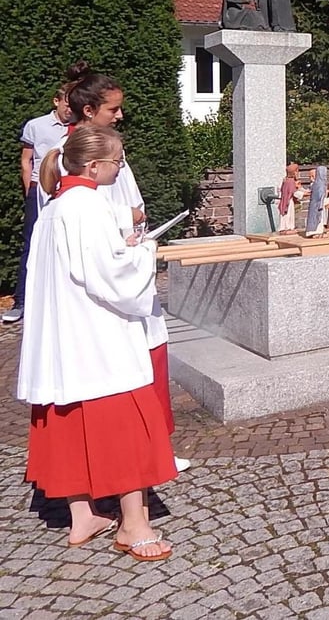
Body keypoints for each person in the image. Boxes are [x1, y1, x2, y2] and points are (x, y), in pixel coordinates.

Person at [17, 124, 175, 560]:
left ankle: (82, 515)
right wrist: (143, 253)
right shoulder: (88, 206)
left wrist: (119, 248)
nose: (120, 168)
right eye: (117, 162)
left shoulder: (54, 206)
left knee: (68, 419)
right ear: (93, 166)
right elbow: (111, 278)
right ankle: (135, 526)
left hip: (63, 340)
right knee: (124, 427)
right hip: (97, 338)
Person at [55, 73, 190, 472]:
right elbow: (82, 220)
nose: (119, 115)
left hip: (128, 260)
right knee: (129, 367)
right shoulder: (76, 155)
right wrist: (126, 222)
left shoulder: (108, 149)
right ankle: (138, 456)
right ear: (89, 110)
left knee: (152, 357)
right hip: (114, 272)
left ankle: (154, 449)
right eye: (112, 108)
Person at [4, 78, 75, 325]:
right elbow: (27, 160)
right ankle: (21, 301)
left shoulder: (76, 128)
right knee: (31, 243)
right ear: (56, 101)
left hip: (65, 189)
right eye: (67, 104)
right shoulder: (36, 126)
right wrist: (30, 189)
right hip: (38, 189)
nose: (70, 109)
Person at [277, 162, 302, 234]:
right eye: (297, 171)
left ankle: (285, 228)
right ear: (293, 172)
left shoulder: (285, 180)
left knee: (286, 215)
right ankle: (287, 228)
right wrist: (304, 194)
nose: (297, 173)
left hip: (284, 200)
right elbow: (293, 193)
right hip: (288, 201)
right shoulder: (291, 181)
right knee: (288, 214)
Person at [305, 165, 328, 237]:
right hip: (318, 204)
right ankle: (315, 232)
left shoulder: (318, 183)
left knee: (318, 219)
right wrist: (322, 203)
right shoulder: (319, 184)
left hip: (316, 204)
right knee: (317, 218)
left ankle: (318, 231)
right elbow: (320, 195)